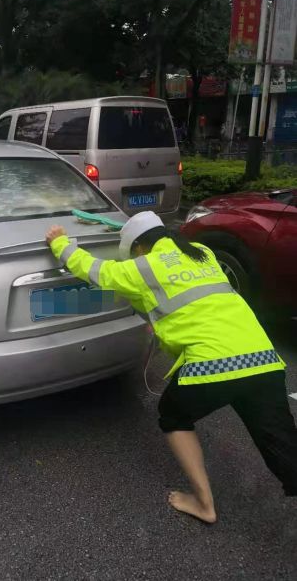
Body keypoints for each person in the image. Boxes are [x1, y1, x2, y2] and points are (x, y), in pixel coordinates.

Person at [45, 212, 297, 523]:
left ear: (138, 248)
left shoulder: (143, 266)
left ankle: (204, 504)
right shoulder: (202, 253)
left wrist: (59, 242)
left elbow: (94, 270)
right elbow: (189, 301)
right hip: (262, 359)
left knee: (174, 415)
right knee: (285, 453)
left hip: (213, 365)